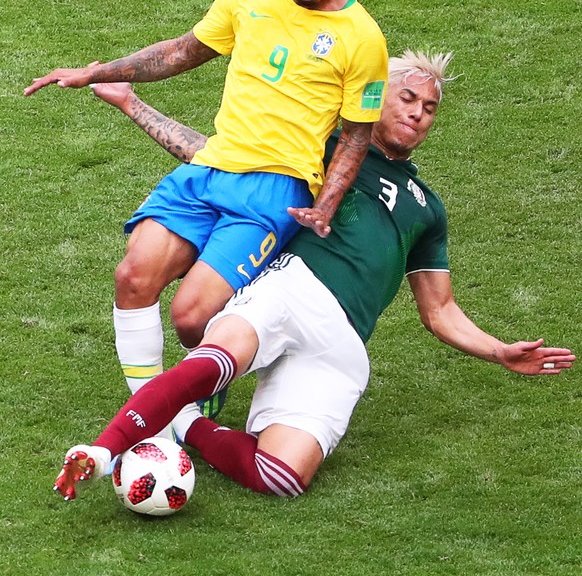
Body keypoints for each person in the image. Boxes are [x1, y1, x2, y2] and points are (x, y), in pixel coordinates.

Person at [54, 51, 575, 501]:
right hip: (290, 288)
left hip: (344, 344)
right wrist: (132, 102)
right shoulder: (324, 150)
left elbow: (439, 310)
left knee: (281, 476)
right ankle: (102, 451)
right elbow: (216, 158)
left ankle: (184, 423)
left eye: (429, 108)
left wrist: (499, 351)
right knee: (209, 363)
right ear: (376, 98)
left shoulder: (428, 209)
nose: (418, 114)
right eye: (408, 99)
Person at [24, 0, 388, 410]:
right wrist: (98, 72)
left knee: (192, 318)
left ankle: (208, 383)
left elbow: (354, 136)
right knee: (133, 277)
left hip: (274, 188)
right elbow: (181, 51)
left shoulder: (363, 38)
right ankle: (158, 421)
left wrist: (325, 205)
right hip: (207, 170)